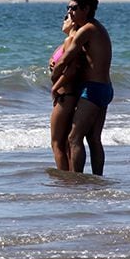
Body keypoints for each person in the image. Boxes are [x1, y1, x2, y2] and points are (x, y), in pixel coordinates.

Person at [52, 0, 113, 175]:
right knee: (94, 138)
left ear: (86, 9)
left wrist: (53, 80)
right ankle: (98, 179)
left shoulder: (87, 30)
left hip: (93, 90)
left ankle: (77, 180)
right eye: (68, 8)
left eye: (74, 8)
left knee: (73, 137)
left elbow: (65, 60)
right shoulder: (97, 28)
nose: (70, 12)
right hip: (104, 88)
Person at [48, 11, 81, 171]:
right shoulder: (67, 42)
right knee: (66, 142)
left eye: (66, 18)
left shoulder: (70, 41)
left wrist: (55, 87)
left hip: (65, 95)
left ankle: (65, 179)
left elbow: (72, 70)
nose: (64, 20)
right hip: (67, 95)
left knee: (57, 143)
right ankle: (70, 178)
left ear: (73, 22)